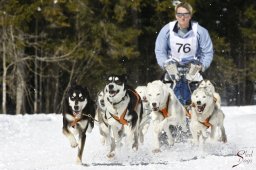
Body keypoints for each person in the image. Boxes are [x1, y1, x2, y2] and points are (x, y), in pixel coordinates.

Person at [155, 2, 213, 105]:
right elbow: (160, 50)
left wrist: (202, 66)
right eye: (179, 14)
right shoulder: (166, 30)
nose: (182, 17)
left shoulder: (200, 31)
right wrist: (165, 63)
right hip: (172, 66)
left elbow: (207, 52)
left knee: (202, 91)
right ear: (175, 15)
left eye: (185, 14)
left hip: (193, 67)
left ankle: (193, 107)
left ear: (190, 15)